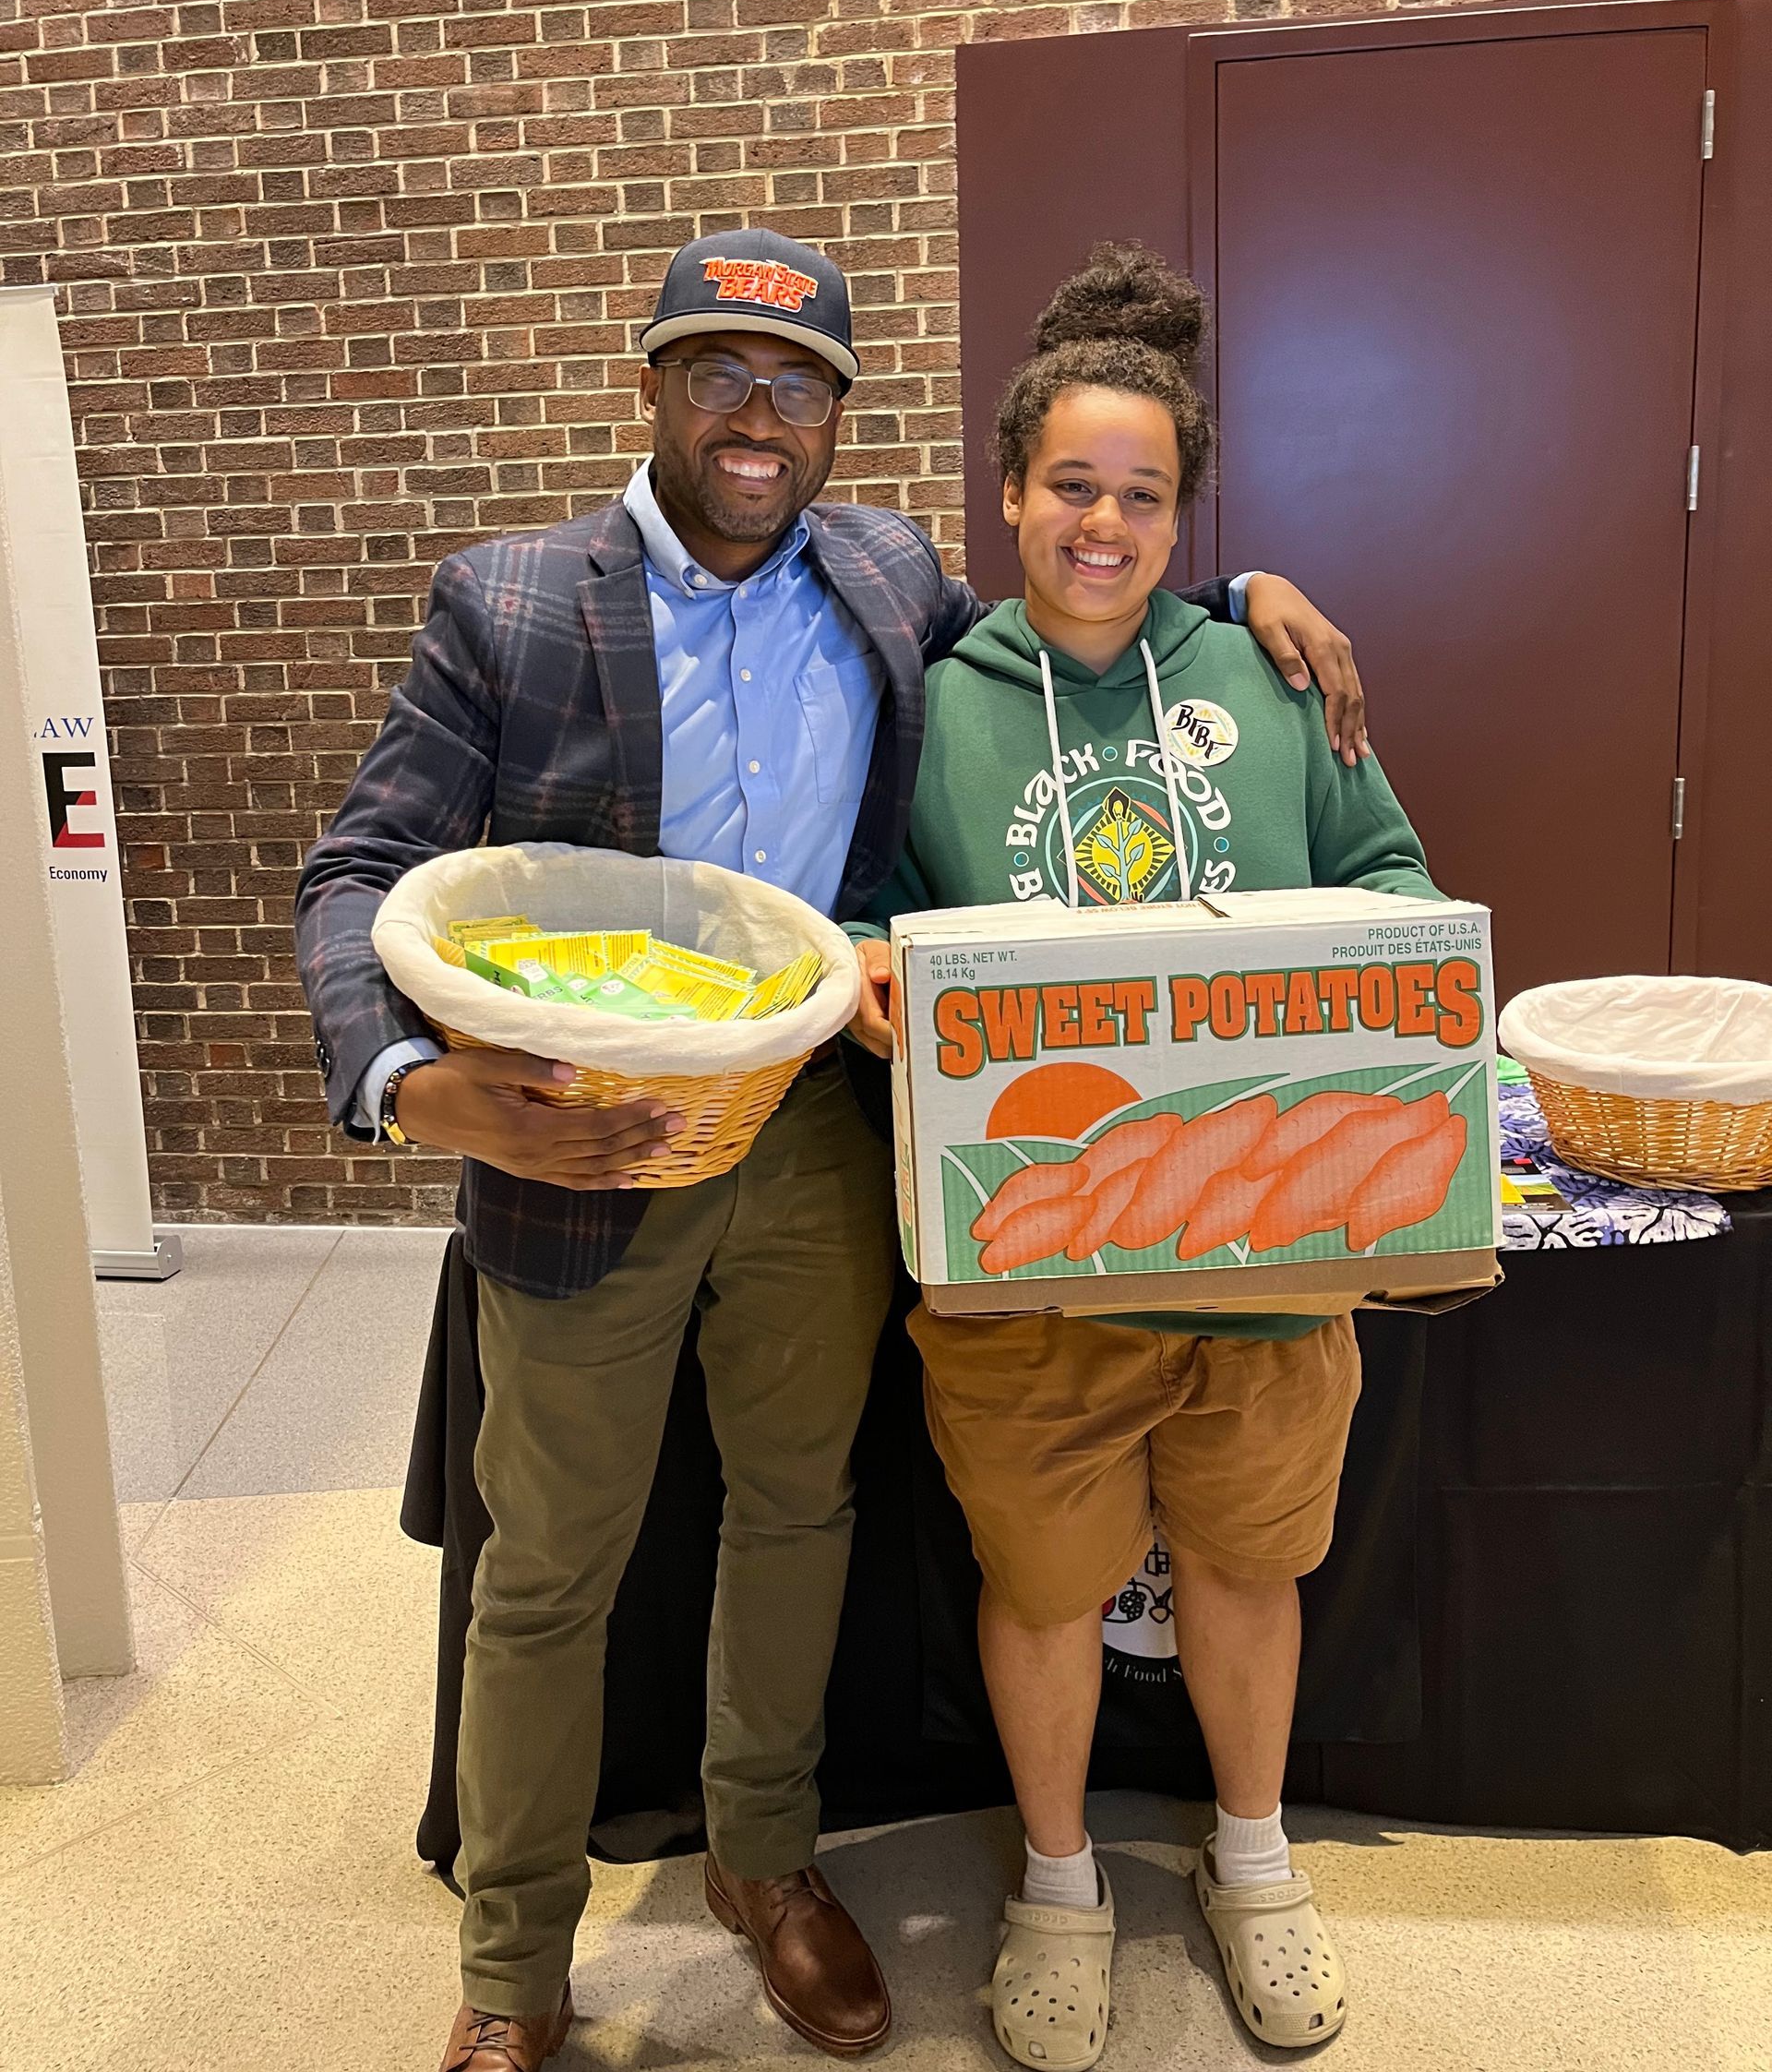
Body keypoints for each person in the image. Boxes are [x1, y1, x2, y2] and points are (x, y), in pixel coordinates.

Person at [294, 226, 1370, 2072]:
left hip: (811, 1137)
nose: (757, 409)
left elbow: (1087, 598)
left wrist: (1253, 583)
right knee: (551, 1559)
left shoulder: (882, 576)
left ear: (843, 417)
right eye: (719, 367)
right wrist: (413, 1079)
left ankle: (768, 1862)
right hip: (586, 1137)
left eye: (798, 381)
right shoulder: (512, 601)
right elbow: (354, 872)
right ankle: (515, 1961)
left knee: (798, 1512)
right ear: (651, 384)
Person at [848, 242, 1444, 2062]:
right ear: (1009, 495)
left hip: (1266, 1253)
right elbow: (868, 916)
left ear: (1187, 513)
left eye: (1146, 495)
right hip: (1030, 1263)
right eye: (1072, 488)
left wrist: (1369, 988)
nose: (1104, 524)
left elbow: (1399, 881)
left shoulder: (1276, 678)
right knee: (1040, 1587)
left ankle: (1251, 1862)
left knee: (1252, 1569)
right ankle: (1055, 1880)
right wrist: (879, 975)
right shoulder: (932, 695)